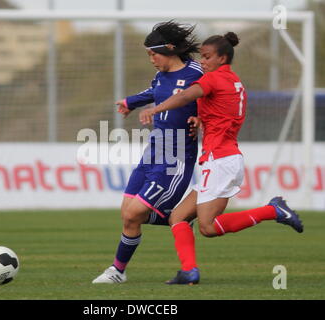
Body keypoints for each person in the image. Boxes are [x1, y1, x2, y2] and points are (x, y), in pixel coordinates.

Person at [139, 31, 304, 285]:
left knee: (208, 227)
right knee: (178, 217)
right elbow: (225, 113)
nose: (202, 62)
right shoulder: (233, 81)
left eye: (207, 57)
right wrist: (201, 118)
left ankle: (272, 210)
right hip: (220, 159)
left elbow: (185, 96)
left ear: (222, 58)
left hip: (221, 161)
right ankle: (189, 271)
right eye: (201, 57)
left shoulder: (214, 79)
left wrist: (156, 108)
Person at [92, 21, 204, 284]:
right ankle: (176, 219)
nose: (151, 59)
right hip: (153, 152)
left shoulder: (197, 73)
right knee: (127, 213)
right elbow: (155, 91)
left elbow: (215, 97)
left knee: (134, 213)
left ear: (169, 49)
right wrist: (131, 102)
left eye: (153, 53)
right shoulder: (161, 75)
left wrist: (202, 119)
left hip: (175, 157)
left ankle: (117, 271)